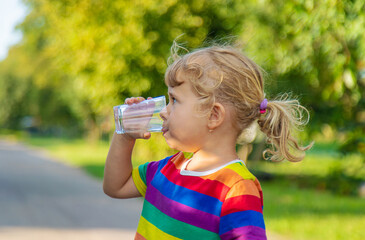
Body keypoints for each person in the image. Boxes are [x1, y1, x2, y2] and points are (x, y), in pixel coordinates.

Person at [103, 43, 312, 240]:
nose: (164, 112)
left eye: (174, 100)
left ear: (213, 116)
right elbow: (116, 186)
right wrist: (125, 136)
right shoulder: (168, 169)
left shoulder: (236, 189)